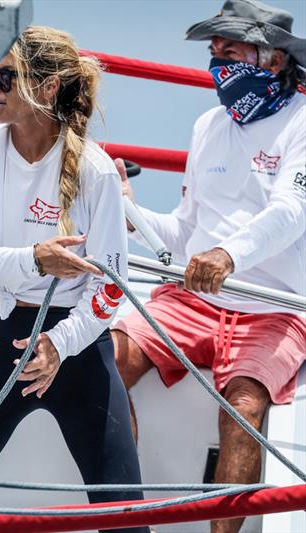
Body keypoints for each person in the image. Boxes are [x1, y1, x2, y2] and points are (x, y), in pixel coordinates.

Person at [0, 26, 148, 533]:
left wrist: (58, 345)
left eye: (4, 78)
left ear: (49, 85)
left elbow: (111, 287)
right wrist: (35, 260)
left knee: (126, 519)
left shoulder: (98, 172)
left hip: (79, 352)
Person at [111, 2, 306, 532]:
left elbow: (292, 211)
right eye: (214, 53)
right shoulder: (207, 126)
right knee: (104, 366)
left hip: (274, 307)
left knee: (244, 406)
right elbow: (185, 229)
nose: (219, 64)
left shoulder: (303, 122)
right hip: (193, 299)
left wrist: (227, 256)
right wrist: (127, 211)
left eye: (232, 52)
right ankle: (126, 522)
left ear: (271, 59)